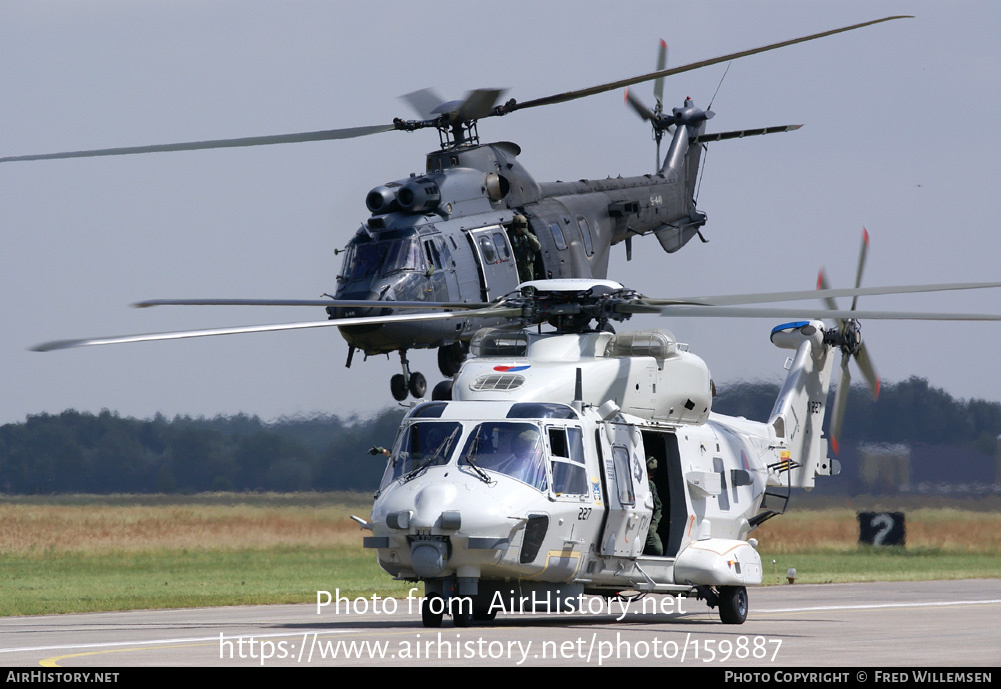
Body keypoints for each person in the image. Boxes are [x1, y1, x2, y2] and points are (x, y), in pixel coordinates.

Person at [508, 214, 541, 283]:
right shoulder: (511, 236)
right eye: (517, 227)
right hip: (517, 266)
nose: (519, 229)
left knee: (529, 286)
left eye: (522, 227)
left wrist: (527, 233)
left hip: (528, 265)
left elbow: (537, 246)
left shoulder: (528, 237)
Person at [645, 456, 664, 556]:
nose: (651, 476)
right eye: (650, 473)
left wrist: (653, 525)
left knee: (657, 549)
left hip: (646, 524)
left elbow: (658, 507)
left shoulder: (650, 485)